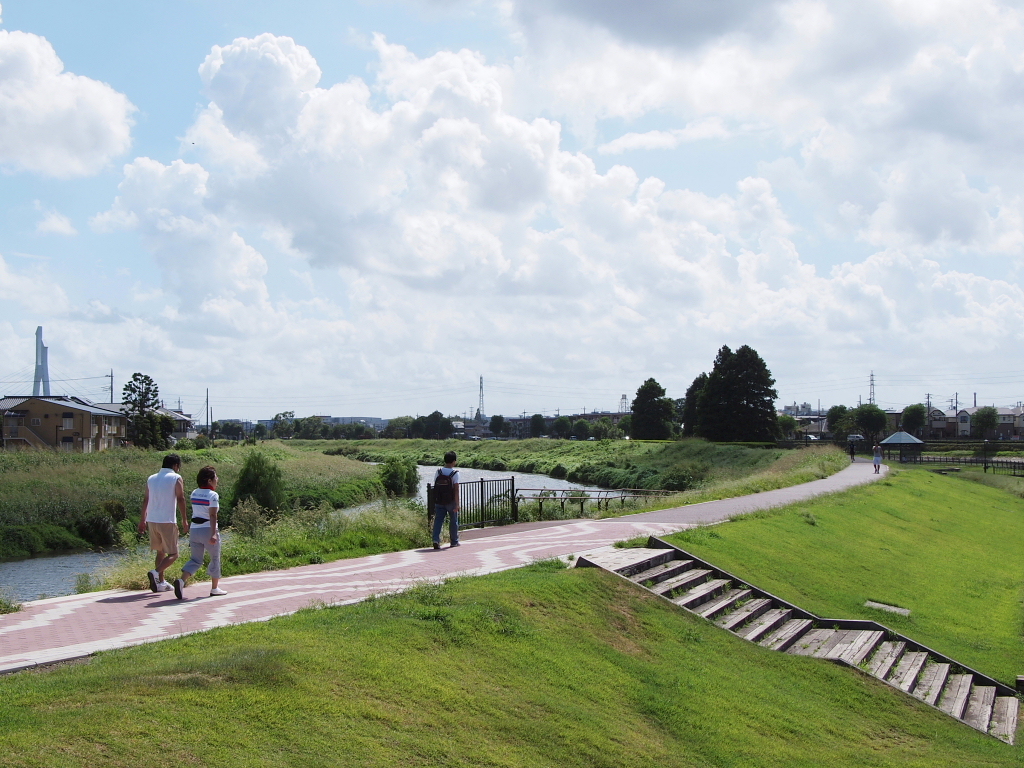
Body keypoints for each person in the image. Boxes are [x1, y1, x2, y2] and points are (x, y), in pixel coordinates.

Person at [173, 465, 227, 599]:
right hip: (208, 529)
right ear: (209, 480)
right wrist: (214, 533)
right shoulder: (213, 495)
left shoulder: (194, 493)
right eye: (215, 477)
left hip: (195, 530)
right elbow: (213, 515)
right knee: (215, 558)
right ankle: (214, 588)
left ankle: (181, 580)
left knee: (196, 559)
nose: (217, 479)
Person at [138, 454, 189, 593]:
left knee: (160, 552)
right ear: (175, 466)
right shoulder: (176, 478)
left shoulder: (151, 478)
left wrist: (143, 519)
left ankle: (161, 582)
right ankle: (156, 572)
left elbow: (146, 500)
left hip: (152, 520)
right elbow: (181, 498)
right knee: (174, 554)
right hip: (167, 520)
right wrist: (185, 520)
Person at [432, 451, 460, 550]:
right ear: (453, 461)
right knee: (453, 521)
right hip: (451, 501)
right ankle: (454, 541)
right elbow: (456, 489)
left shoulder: (439, 471)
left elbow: (435, 485)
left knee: (438, 520)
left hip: (439, 500)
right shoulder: (455, 473)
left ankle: (435, 540)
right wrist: (457, 504)